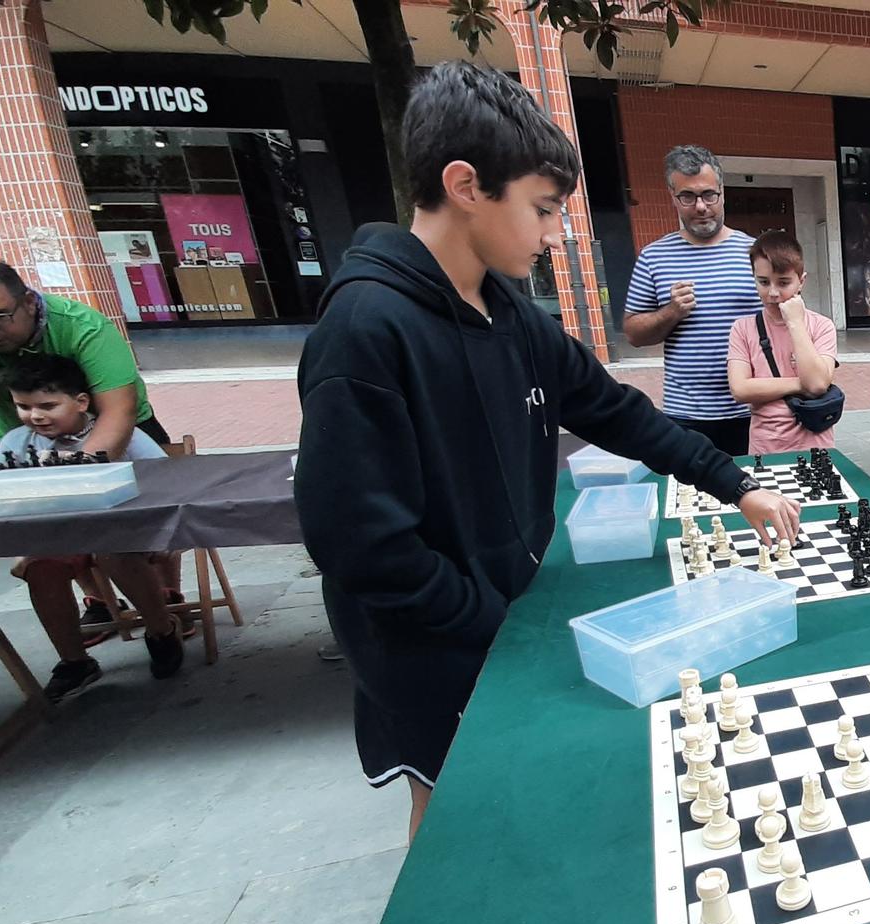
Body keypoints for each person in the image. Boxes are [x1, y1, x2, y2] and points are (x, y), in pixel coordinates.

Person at [295, 63, 800, 838]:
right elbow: (358, 543)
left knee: (520, 804)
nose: (555, 231)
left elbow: (617, 412)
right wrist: (486, 621)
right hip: (425, 643)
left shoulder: (510, 313)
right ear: (466, 185)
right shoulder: (365, 329)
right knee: (451, 811)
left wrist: (734, 484)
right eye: (541, 208)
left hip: (501, 614)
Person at [0, 256, 181, 629]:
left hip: (112, 419)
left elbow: (117, 413)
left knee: (133, 519)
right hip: (20, 431)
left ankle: (166, 600)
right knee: (54, 539)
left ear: (30, 302)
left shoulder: (83, 327)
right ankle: (98, 599)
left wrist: (75, 480)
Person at [0, 353, 182, 701]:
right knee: (41, 568)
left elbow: (168, 483)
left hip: (126, 534)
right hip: (59, 537)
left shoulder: (123, 436)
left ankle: (161, 630)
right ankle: (75, 660)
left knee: (113, 552)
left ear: (81, 402)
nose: (35, 416)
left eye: (47, 405)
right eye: (23, 406)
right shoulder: (16, 445)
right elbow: (9, 497)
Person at [623, 145, 760, 455]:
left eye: (709, 194)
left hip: (752, 412)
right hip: (685, 416)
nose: (701, 206)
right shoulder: (653, 257)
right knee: (690, 501)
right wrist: (670, 312)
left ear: (723, 193)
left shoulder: (755, 253)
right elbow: (633, 334)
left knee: (755, 497)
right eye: (688, 196)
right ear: (673, 198)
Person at [724, 229, 838, 455]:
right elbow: (740, 389)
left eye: (783, 282)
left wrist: (795, 322)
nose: (773, 293)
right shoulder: (743, 328)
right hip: (765, 445)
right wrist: (801, 384)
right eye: (764, 282)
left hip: (815, 443)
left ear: (801, 281)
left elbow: (816, 385)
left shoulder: (822, 326)